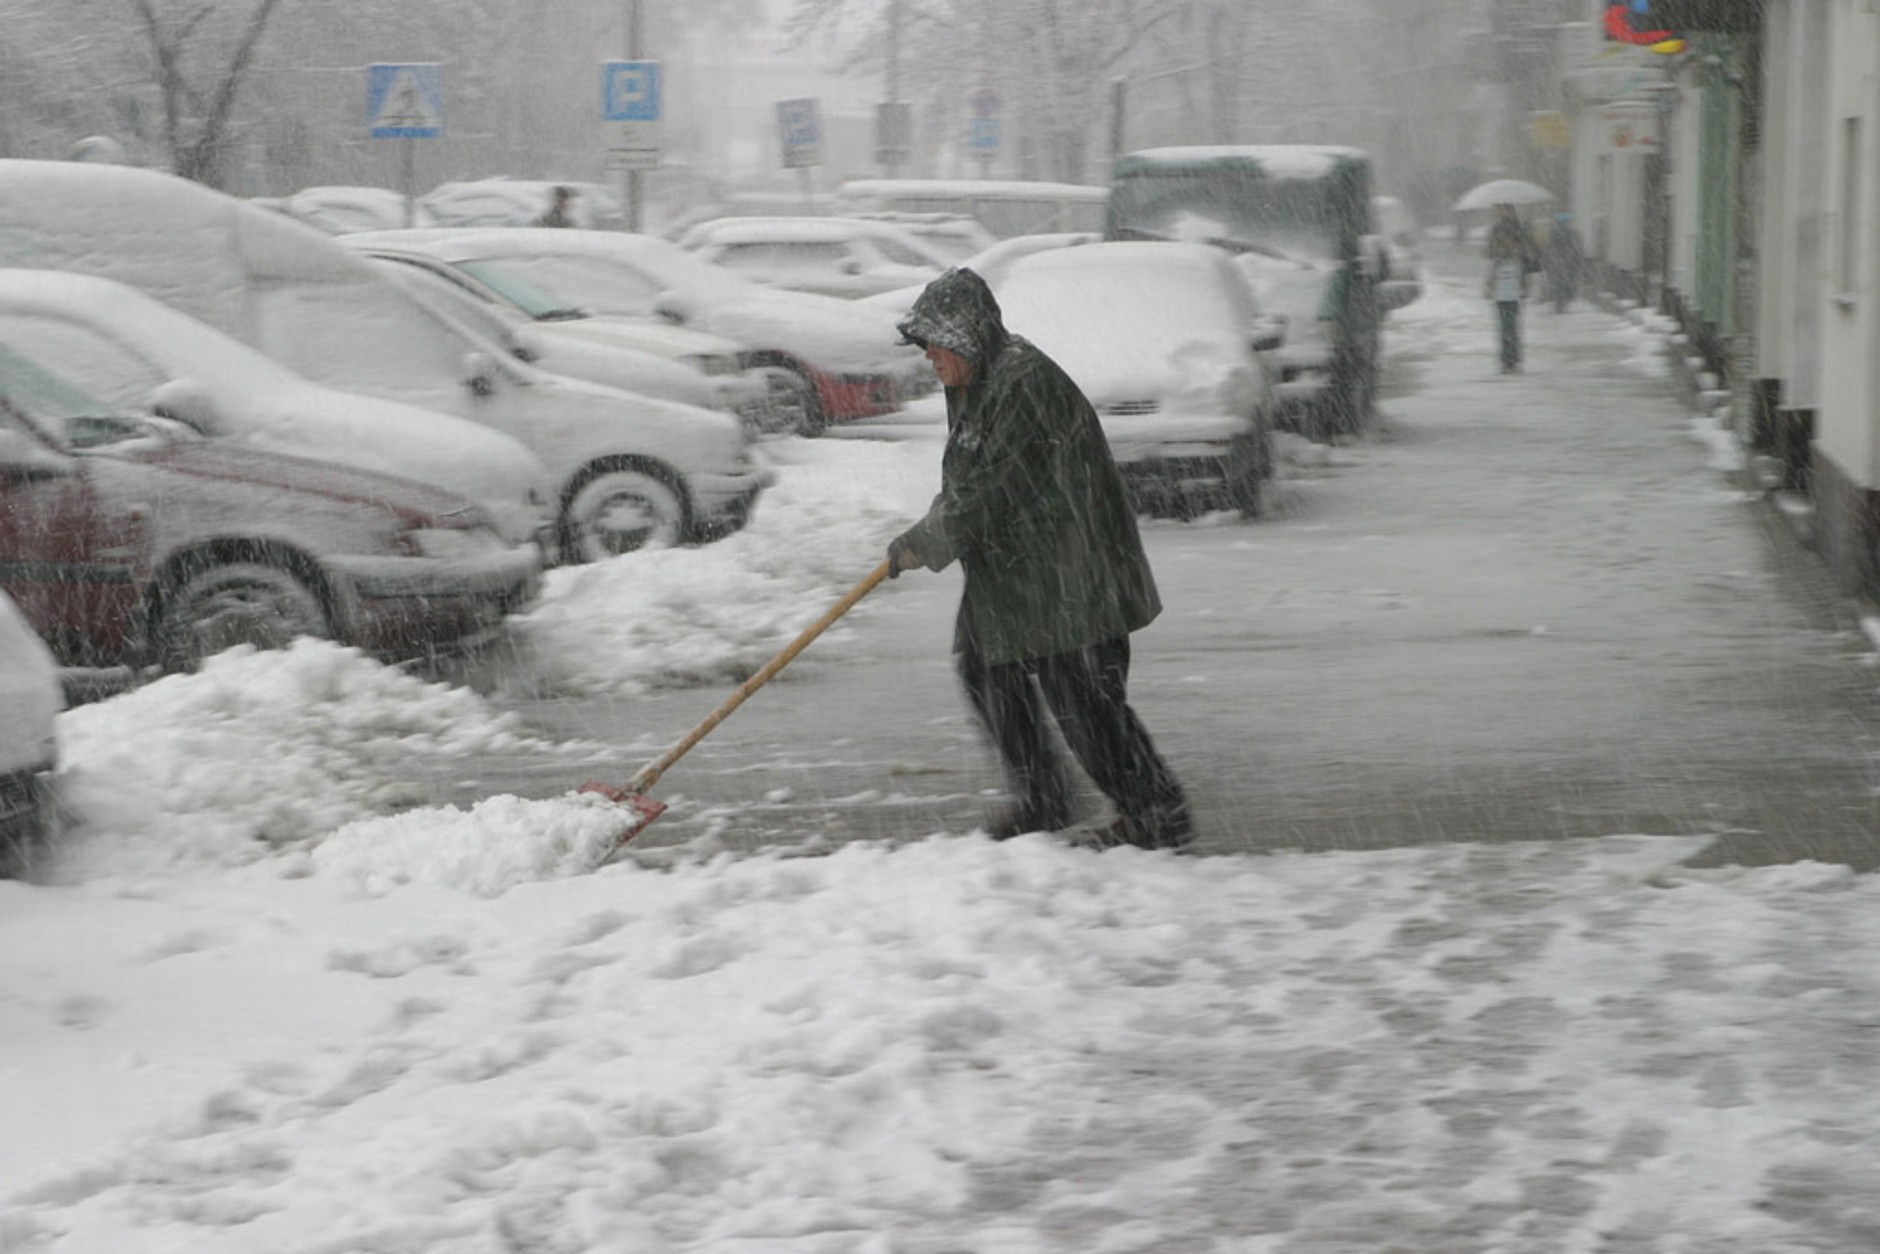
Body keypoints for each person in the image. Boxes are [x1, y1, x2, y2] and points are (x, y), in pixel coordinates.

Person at [885, 267, 1193, 851]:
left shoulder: (1022, 383)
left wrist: (923, 542)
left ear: (966, 336)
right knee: (984, 668)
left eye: (934, 343)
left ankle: (1157, 812)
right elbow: (965, 482)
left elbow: (992, 490)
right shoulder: (972, 383)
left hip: (1071, 565)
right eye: (923, 345)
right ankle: (1045, 797)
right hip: (1018, 568)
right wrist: (925, 531)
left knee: (1083, 700)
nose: (928, 356)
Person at [1484, 203, 1539, 373]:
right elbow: (1489, 253)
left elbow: (1526, 254)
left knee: (1509, 324)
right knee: (1509, 324)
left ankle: (1510, 359)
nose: (1497, 213)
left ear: (1507, 211)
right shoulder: (1511, 230)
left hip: (1512, 282)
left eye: (1500, 210)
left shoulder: (1514, 230)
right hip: (1508, 283)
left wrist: (1505, 250)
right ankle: (1510, 359)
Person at [1544, 211, 1585, 314]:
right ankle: (1563, 300)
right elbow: (1576, 248)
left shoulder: (1554, 233)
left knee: (1558, 283)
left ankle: (1559, 301)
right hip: (1566, 263)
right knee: (1566, 283)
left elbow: (1549, 248)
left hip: (1558, 263)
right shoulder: (1571, 233)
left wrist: (1549, 261)